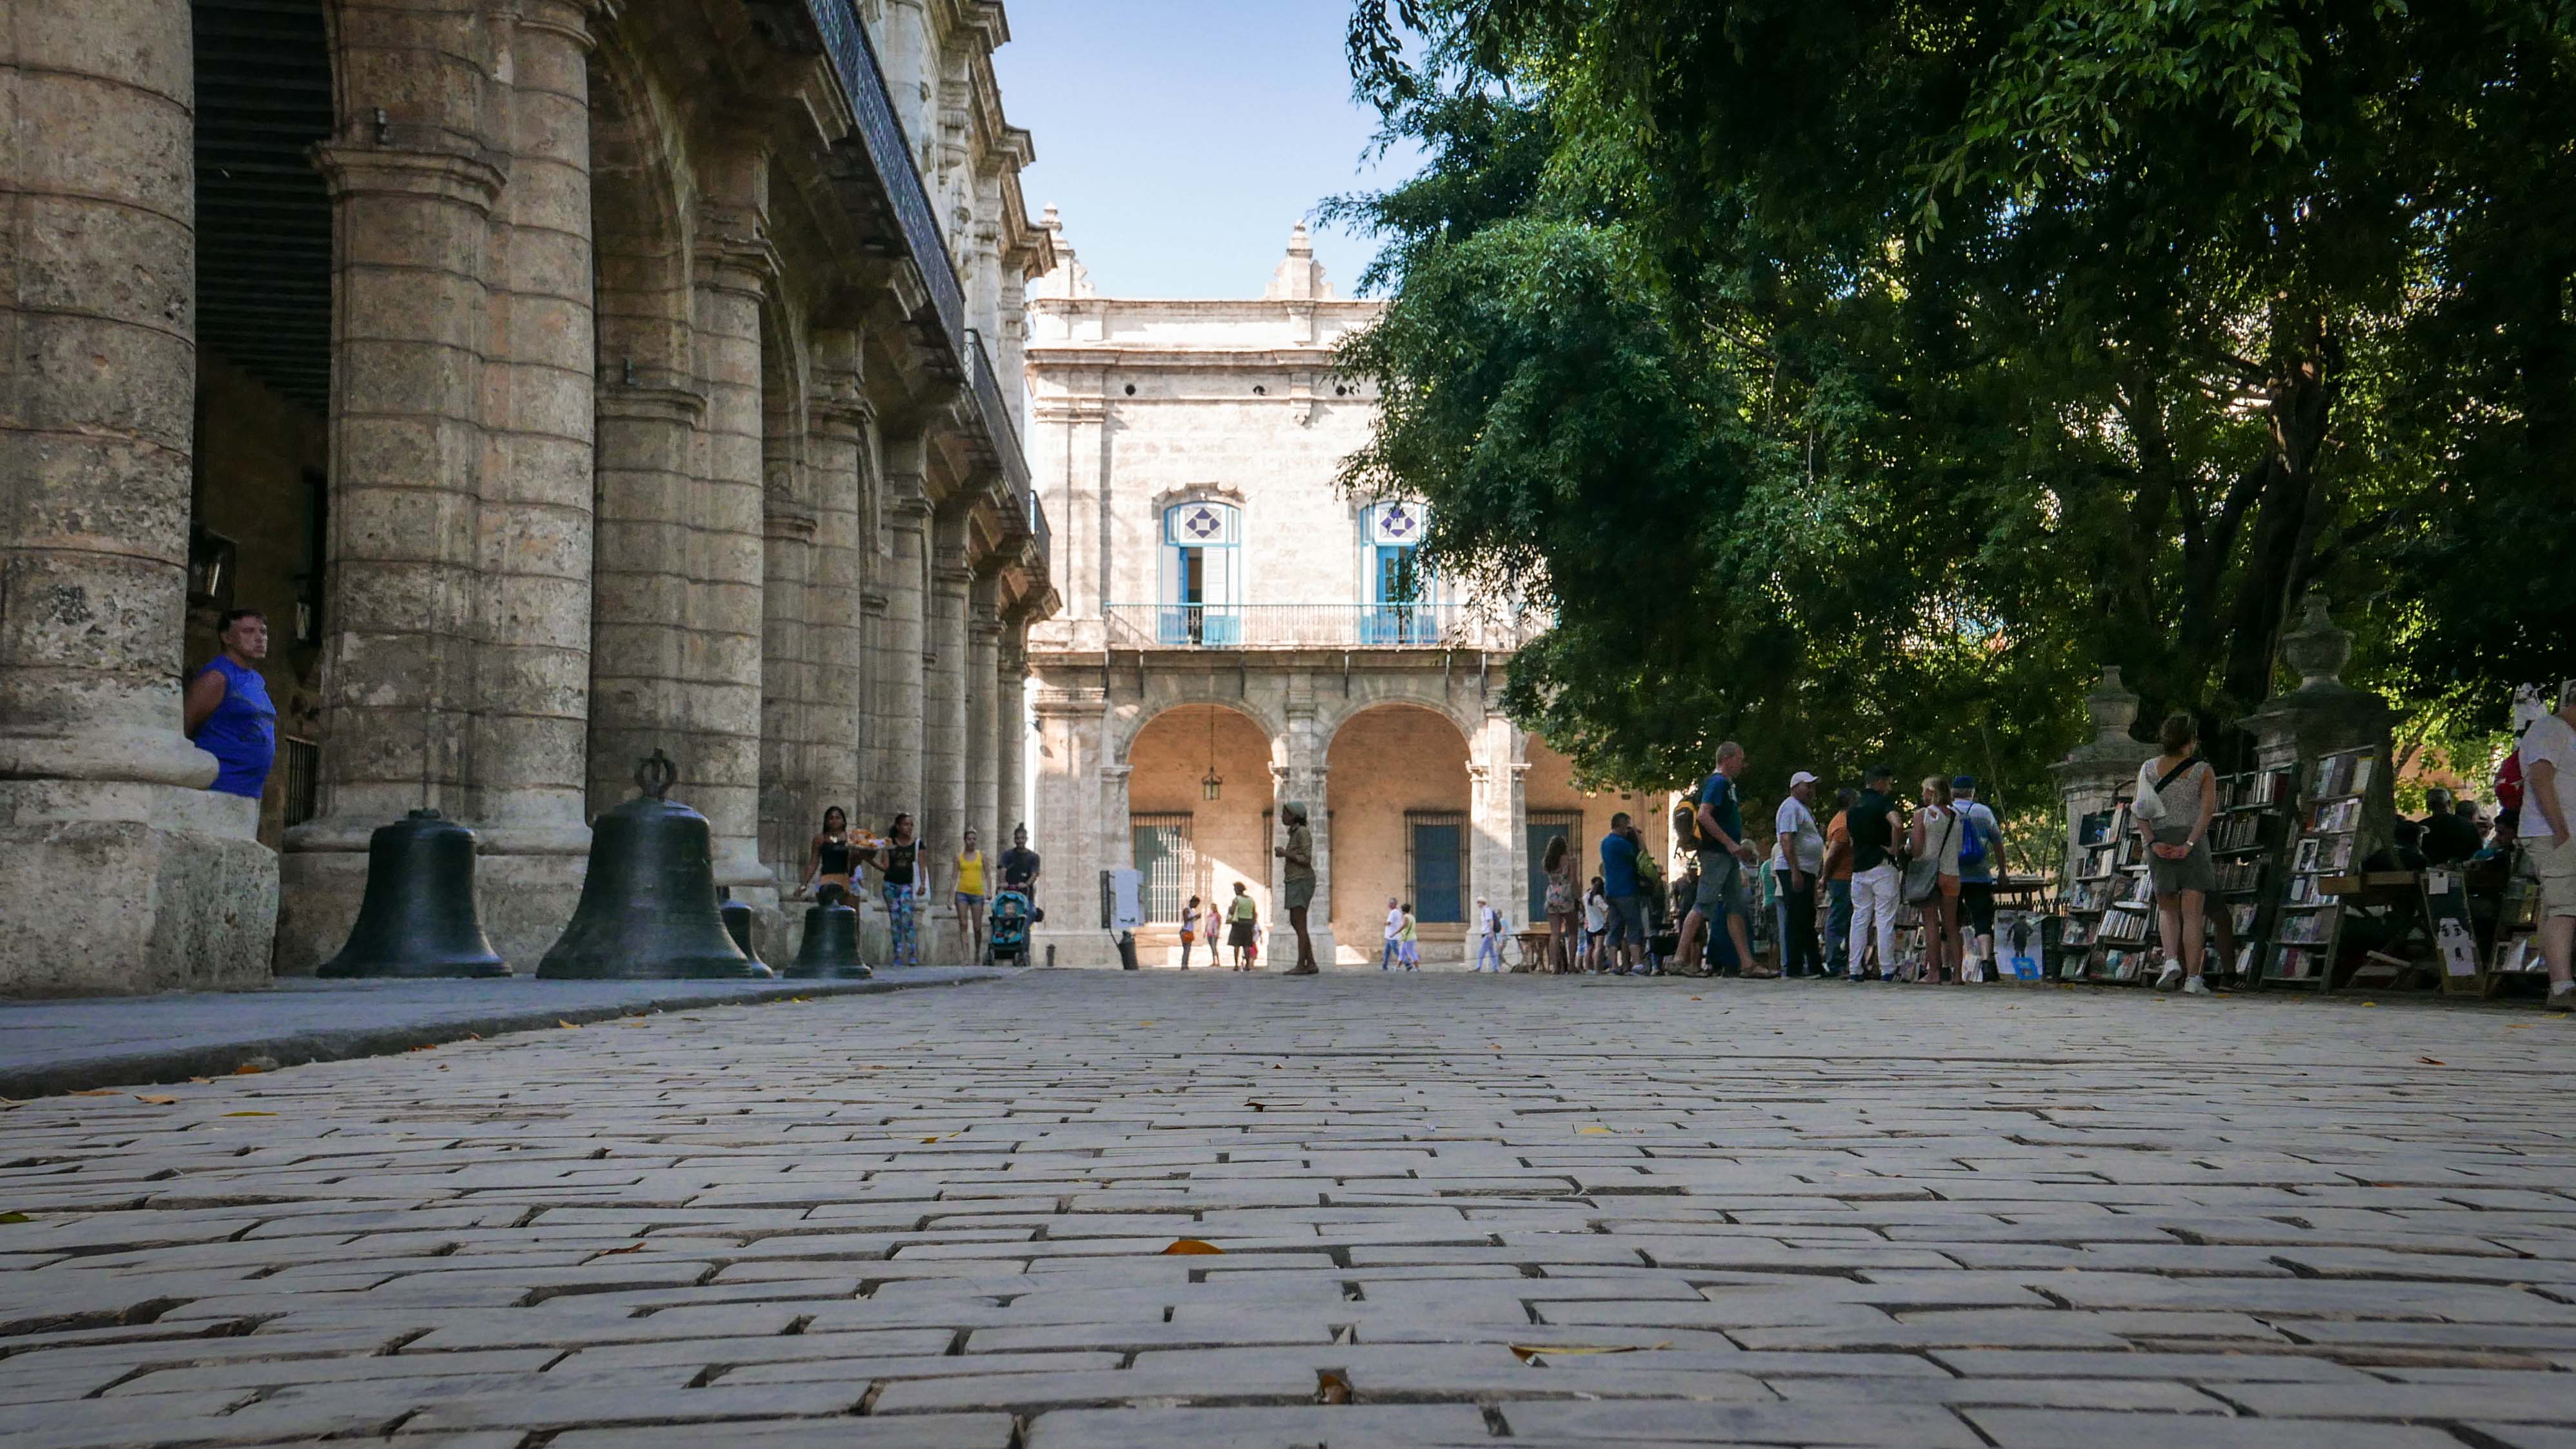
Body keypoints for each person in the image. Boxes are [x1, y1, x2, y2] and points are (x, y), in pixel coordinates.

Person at [2135, 713, 2219, 995]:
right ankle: (2194, 979)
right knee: (2193, 912)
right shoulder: (2203, 770)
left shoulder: (2148, 769)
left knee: (2167, 908)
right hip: (2191, 841)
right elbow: (2206, 811)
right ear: (2191, 740)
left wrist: (2153, 843)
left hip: (2160, 841)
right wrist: (2190, 844)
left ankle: (2171, 961)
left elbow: (2140, 810)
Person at [1679, 742, 1763, 979]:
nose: (1742, 764)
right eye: (1739, 759)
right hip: (1717, 854)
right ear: (1727, 758)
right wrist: (1729, 843)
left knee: (1736, 906)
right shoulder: (1717, 783)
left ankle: (1747, 963)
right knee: (1703, 904)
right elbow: (1705, 815)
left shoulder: (1726, 785)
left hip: (1726, 855)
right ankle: (1679, 958)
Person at [2519, 685, 2576, 1011]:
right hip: (2552, 833)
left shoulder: (2561, 732)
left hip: (2557, 832)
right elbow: (2541, 779)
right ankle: (2562, 986)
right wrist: (2561, 832)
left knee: (2558, 905)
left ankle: (2558, 981)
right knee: (2565, 906)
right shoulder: (2551, 729)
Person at [183, 608, 277, 801]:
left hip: (249, 793)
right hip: (219, 790)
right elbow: (184, 726)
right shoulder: (217, 677)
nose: (259, 638)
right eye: (248, 631)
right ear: (227, 638)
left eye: (263, 632)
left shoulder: (256, 680)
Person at [1846, 766, 1904, 982]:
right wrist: (1894, 849)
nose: (1889, 787)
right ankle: (1888, 968)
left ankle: (1855, 968)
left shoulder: (1853, 808)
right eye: (1888, 782)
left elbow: (1851, 839)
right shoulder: (1882, 803)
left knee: (1860, 917)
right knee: (1884, 918)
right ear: (1880, 782)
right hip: (1881, 864)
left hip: (1859, 867)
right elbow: (1897, 824)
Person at [1909, 776, 1966, 984]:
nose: (1923, 795)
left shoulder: (1922, 815)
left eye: (1925, 791)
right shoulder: (1957, 816)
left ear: (1932, 792)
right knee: (1952, 926)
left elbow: (1916, 850)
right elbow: (1959, 848)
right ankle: (1958, 975)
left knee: (1931, 924)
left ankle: (1934, 973)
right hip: (1952, 874)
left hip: (1929, 875)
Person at [1773, 772, 1825, 978]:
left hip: (1806, 870)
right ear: (1795, 787)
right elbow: (1787, 840)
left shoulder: (1803, 809)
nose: (1811, 790)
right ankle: (1794, 967)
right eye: (1808, 786)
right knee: (1796, 918)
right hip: (1795, 869)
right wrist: (1795, 871)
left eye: (1813, 786)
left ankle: (1814, 965)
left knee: (1805, 917)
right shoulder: (1791, 807)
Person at [1949, 776, 2002, 977]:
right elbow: (1998, 844)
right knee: (1982, 920)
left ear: (1953, 792)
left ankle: (1949, 968)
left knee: (1950, 922)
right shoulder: (1984, 812)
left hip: (1951, 875)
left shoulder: (1945, 812)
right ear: (1971, 792)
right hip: (1979, 876)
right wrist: (2003, 872)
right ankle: (1987, 963)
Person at [1273, 801, 1321, 974]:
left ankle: (1302, 965)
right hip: (1294, 880)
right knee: (1296, 922)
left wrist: (1286, 854)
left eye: (1285, 814)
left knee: (1300, 923)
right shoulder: (1294, 834)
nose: (1282, 817)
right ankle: (1311, 963)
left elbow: (1306, 858)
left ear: (1294, 816)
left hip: (1301, 880)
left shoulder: (1302, 832)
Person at [1599, 812, 1647, 974]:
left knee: (1615, 928)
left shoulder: (1605, 843)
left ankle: (1614, 965)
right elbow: (1641, 853)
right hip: (1626, 890)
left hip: (1611, 891)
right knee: (1634, 926)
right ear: (1620, 826)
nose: (1628, 831)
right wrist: (1637, 835)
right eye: (1626, 827)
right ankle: (1637, 963)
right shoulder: (1622, 844)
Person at [873, 813, 921, 970]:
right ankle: (898, 954)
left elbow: (922, 865)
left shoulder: (918, 844)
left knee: (907, 916)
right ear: (898, 826)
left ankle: (913, 953)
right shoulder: (890, 844)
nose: (909, 828)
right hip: (891, 885)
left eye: (911, 825)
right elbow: (885, 866)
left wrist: (923, 884)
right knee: (895, 920)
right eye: (906, 824)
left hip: (907, 885)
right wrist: (870, 861)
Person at [1822, 787, 1857, 972]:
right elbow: (1832, 854)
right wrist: (1825, 877)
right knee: (1839, 918)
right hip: (1842, 878)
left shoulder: (1839, 821)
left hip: (1842, 877)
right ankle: (1835, 961)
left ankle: (1841, 959)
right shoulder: (1843, 825)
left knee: (1844, 918)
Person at [1542, 834, 1581, 972]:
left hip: (1552, 893)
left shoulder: (1547, 862)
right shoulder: (1571, 861)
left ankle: (1555, 966)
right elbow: (1574, 881)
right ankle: (1571, 965)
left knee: (1555, 933)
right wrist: (1579, 897)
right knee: (1573, 932)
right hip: (1566, 894)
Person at [2418, 787, 2482, 866]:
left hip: (2428, 874)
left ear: (2428, 806)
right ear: (2449, 803)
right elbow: (2478, 854)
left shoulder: (2420, 828)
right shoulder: (2467, 826)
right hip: (2463, 873)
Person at [803, 806, 855, 901]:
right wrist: (804, 884)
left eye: (837, 818)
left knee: (849, 913)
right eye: (831, 818)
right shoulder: (820, 840)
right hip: (826, 879)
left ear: (843, 821)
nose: (834, 820)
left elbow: (854, 861)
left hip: (846, 878)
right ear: (826, 822)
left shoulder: (850, 839)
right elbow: (813, 863)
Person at [953, 826, 988, 961]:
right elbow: (954, 877)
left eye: (974, 839)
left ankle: (977, 952)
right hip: (962, 893)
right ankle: (966, 957)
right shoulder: (959, 857)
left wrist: (989, 891)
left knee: (977, 927)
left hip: (978, 894)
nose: (971, 842)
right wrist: (950, 897)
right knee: (963, 923)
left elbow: (988, 875)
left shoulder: (982, 855)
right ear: (965, 840)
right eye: (969, 839)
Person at [997, 824, 1041, 913]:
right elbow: (1003, 869)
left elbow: (1034, 874)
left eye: (1022, 838)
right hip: (1009, 893)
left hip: (1026, 894)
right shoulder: (1007, 854)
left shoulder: (1034, 857)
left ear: (1026, 839)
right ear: (1014, 840)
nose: (1020, 841)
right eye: (1018, 838)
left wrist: (1027, 884)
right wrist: (1003, 883)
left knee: (1031, 912)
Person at [1226, 881, 1260, 970]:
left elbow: (1232, 911)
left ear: (1237, 890)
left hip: (1238, 923)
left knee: (1236, 945)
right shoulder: (1251, 900)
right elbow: (1254, 913)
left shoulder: (1237, 900)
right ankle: (1248, 965)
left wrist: (1230, 910)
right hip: (1248, 924)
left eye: (1235, 889)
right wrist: (1253, 923)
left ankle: (1236, 965)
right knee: (1247, 945)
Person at [1470, 895, 1506, 972]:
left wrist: (1491, 932)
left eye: (1478, 903)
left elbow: (1491, 921)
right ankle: (1496, 968)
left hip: (1488, 934)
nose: (1478, 904)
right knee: (1492, 952)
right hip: (1487, 934)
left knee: (1482, 951)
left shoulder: (1487, 910)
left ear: (1481, 903)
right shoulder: (1485, 910)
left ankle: (1478, 967)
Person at [1582, 877, 1610, 972]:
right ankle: (1598, 968)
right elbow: (1607, 909)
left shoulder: (1586, 896)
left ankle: (1588, 968)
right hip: (1600, 925)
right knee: (1599, 948)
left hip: (1590, 925)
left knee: (1589, 947)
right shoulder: (1598, 898)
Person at [1380, 896, 1404, 971]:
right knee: (1387, 952)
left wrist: (1385, 923)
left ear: (1394, 904)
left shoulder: (1393, 912)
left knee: (1396, 951)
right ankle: (1384, 966)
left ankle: (1407, 963)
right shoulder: (1397, 912)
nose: (1389, 905)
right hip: (1390, 936)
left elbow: (1389, 923)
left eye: (1390, 903)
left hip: (1392, 936)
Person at [1179, 893, 1203, 970]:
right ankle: (1184, 965)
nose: (1196, 906)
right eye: (1196, 904)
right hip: (1186, 931)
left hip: (1189, 931)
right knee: (1187, 949)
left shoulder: (1191, 911)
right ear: (1192, 903)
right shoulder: (1187, 910)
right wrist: (1195, 916)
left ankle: (1185, 964)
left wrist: (1196, 918)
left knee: (1188, 949)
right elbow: (1187, 920)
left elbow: (1191, 920)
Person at [1397, 902, 1420, 970]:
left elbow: (1404, 926)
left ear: (1403, 911)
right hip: (1410, 937)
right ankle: (1397, 968)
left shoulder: (1406, 917)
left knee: (1411, 952)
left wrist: (1396, 932)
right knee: (1402, 952)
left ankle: (1417, 968)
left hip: (1408, 938)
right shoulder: (1412, 917)